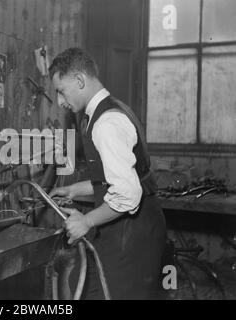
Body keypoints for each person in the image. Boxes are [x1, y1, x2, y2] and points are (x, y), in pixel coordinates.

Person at [48, 48, 166, 300]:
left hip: (132, 232)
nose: (60, 101)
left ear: (79, 80)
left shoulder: (107, 123)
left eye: (60, 91)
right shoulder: (110, 109)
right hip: (128, 225)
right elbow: (113, 177)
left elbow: (126, 193)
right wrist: (74, 189)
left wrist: (87, 221)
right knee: (86, 283)